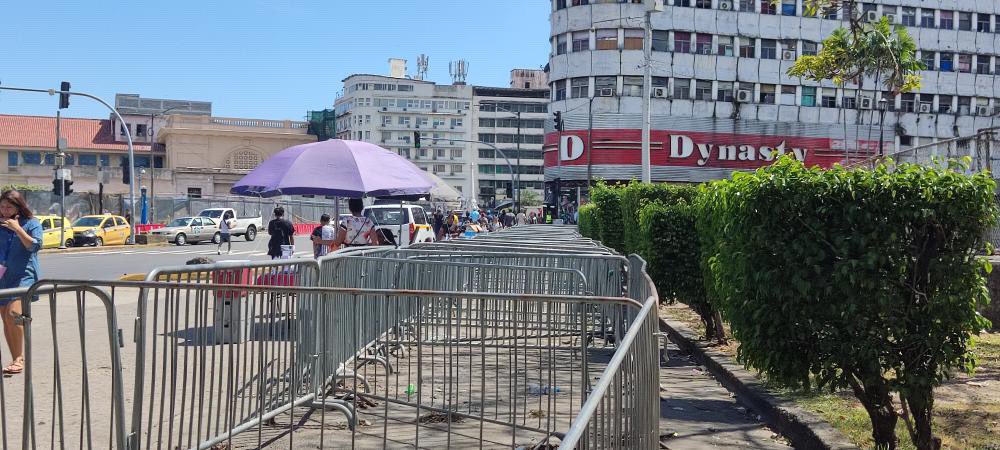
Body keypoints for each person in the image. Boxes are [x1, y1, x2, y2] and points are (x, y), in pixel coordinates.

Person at [0, 190, 43, 375]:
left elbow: (34, 246)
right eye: (1, 206)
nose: (4, 210)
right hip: (3, 276)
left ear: (19, 206)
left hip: (24, 275)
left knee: (13, 313)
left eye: (9, 206)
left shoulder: (31, 223)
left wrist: (17, 228)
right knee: (6, 319)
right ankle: (15, 358)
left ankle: (19, 358)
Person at [313, 198, 379, 249]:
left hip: (349, 255)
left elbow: (337, 242)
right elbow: (375, 243)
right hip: (364, 257)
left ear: (350, 208)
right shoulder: (369, 222)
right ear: (362, 207)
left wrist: (320, 241)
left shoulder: (347, 221)